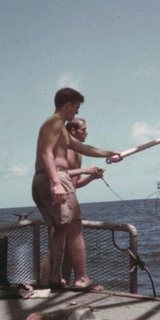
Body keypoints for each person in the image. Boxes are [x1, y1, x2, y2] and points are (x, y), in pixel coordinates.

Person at [32, 87, 121, 290]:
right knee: (75, 228)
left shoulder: (60, 128)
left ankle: (55, 278)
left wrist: (111, 152)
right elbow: (46, 153)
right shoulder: (54, 123)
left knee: (61, 229)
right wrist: (56, 183)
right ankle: (82, 279)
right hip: (54, 177)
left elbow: (83, 147)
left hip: (46, 178)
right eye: (76, 107)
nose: (77, 113)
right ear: (69, 104)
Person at [60, 117, 104, 284]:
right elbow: (57, 174)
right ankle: (55, 281)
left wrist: (91, 177)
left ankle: (65, 281)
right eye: (84, 129)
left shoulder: (78, 152)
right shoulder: (63, 149)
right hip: (59, 201)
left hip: (71, 199)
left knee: (71, 248)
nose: (87, 132)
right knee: (58, 246)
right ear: (73, 131)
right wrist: (84, 169)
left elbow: (75, 183)